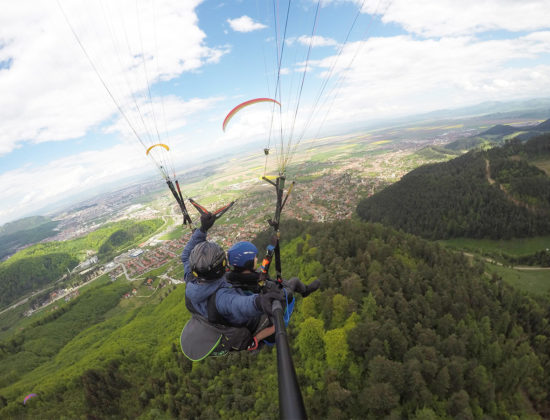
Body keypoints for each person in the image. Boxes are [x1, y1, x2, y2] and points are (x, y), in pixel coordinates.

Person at [181, 213, 285, 356]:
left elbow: (185, 256)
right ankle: (255, 341)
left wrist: (203, 230)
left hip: (214, 317)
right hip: (240, 323)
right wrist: (260, 302)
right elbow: (238, 304)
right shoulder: (221, 298)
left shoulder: (191, 279)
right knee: (278, 319)